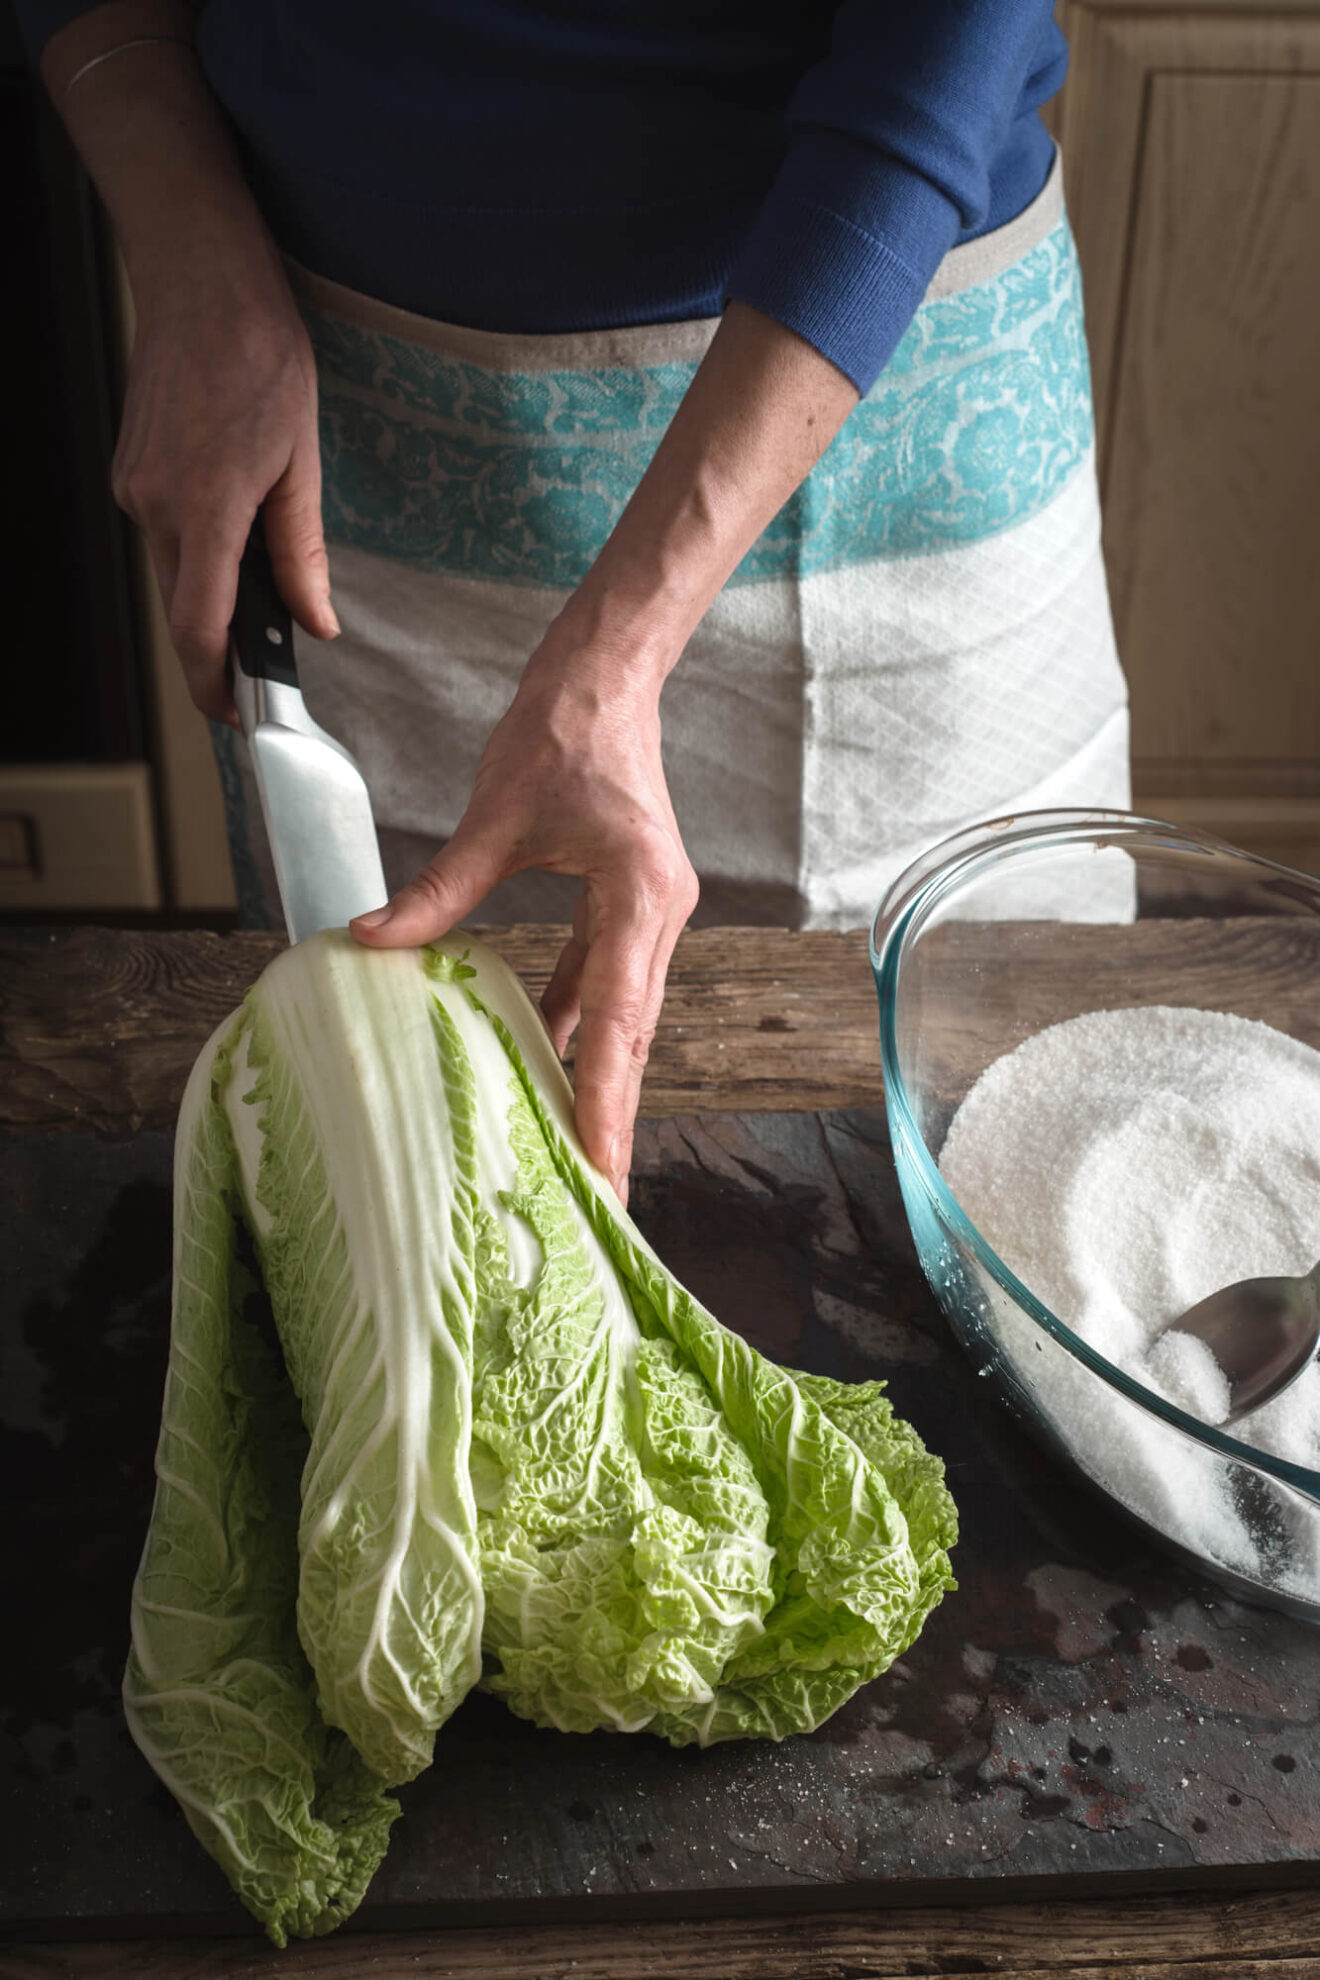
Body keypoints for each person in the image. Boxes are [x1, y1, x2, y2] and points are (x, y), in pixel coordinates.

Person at [20, 0, 1129, 1201]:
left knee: (1001, 1151)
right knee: (403, 1171)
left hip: (883, 401)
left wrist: (618, 658)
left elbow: (946, 55)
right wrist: (190, 258)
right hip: (350, 433)